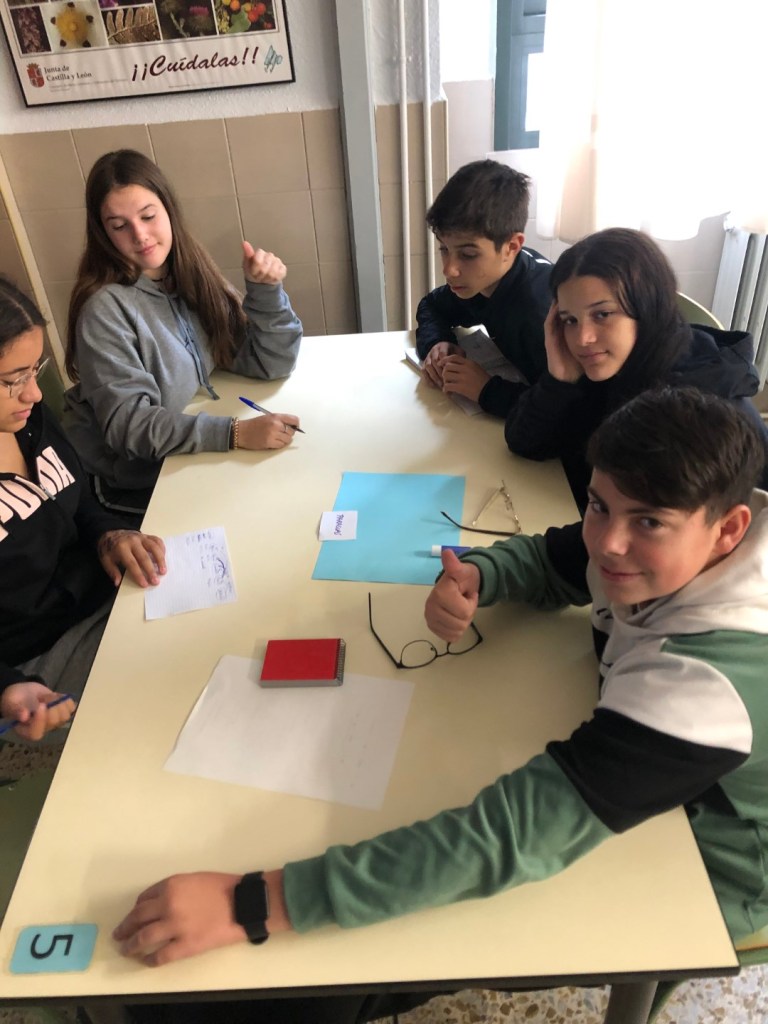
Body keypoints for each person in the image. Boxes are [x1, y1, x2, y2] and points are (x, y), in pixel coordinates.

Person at [113, 388, 768, 1022]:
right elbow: (556, 559)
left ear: (729, 530)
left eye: (647, 522)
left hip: (705, 861)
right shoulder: (663, 540)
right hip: (636, 782)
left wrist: (251, 903)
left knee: (394, 942)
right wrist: (481, 576)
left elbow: (506, 839)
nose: (609, 542)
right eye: (599, 506)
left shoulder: (706, 686)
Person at [63, 149, 303, 520]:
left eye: (148, 216)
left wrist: (266, 292)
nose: (140, 235)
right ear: (103, 233)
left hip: (181, 456)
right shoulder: (104, 309)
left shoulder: (189, 275)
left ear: (169, 210)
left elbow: (270, 363)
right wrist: (235, 433)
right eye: (119, 225)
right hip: (130, 483)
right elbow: (130, 429)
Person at [0, 277, 165, 745]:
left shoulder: (25, 421)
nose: (34, 394)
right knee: (166, 704)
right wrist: (8, 689)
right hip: (34, 660)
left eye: (35, 371)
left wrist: (108, 535)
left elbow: (75, 498)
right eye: (13, 380)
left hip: (97, 592)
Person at [504, 226, 768, 512]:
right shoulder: (612, 364)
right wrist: (559, 379)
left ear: (647, 308)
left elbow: (639, 521)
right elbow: (524, 443)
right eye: (570, 320)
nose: (582, 338)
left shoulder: (690, 409)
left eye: (602, 315)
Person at [415, 159, 552, 417]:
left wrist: (486, 390)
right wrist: (438, 341)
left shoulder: (541, 316)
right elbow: (431, 305)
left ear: (511, 247)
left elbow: (567, 413)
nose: (449, 270)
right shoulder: (483, 281)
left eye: (468, 254)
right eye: (444, 249)